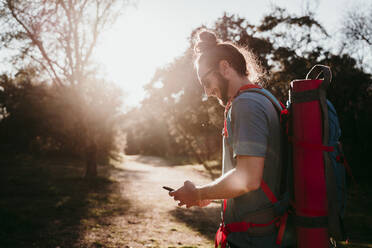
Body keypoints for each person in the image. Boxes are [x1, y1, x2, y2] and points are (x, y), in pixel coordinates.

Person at [169, 30, 283, 248]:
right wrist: (211, 193)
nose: (207, 92)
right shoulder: (265, 99)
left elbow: (248, 178)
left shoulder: (246, 105)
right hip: (266, 233)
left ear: (224, 67)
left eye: (206, 81)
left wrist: (197, 194)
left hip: (254, 240)